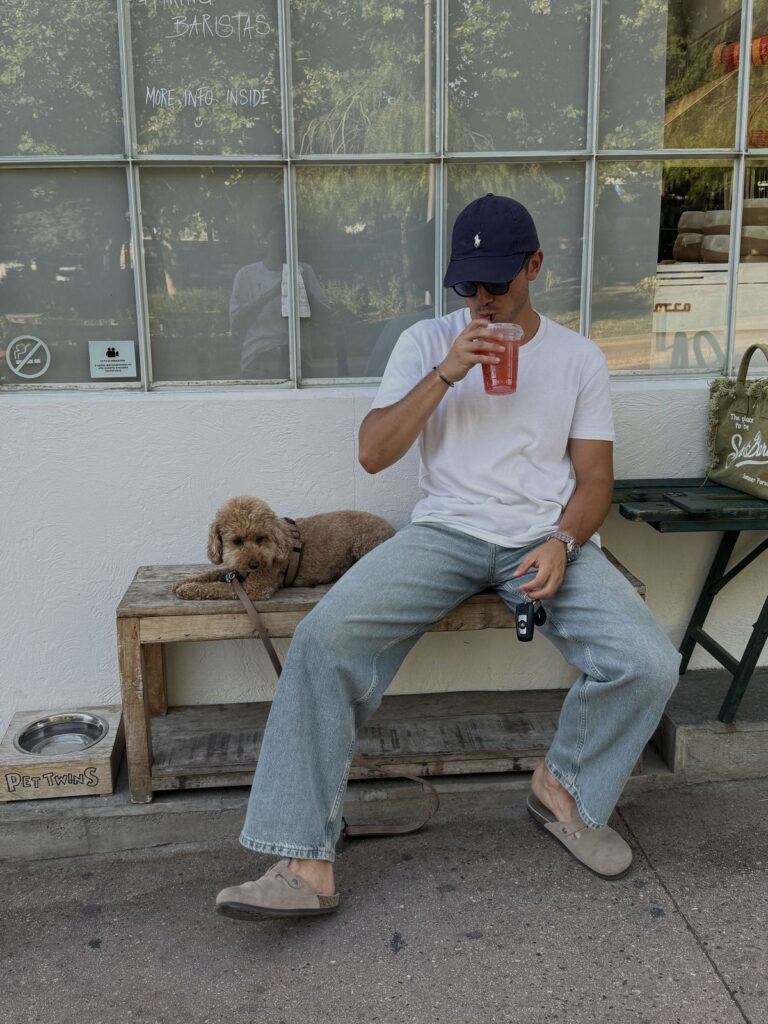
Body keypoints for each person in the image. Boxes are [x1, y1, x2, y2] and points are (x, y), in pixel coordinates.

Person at [215, 194, 681, 920]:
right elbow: (373, 454)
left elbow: (594, 482)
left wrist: (563, 542)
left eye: (498, 282)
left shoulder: (578, 358)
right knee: (322, 639)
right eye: (469, 286)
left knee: (648, 661)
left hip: (544, 538)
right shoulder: (425, 343)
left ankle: (563, 788)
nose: (483, 300)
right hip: (444, 535)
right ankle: (305, 863)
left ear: (535, 266)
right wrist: (446, 372)